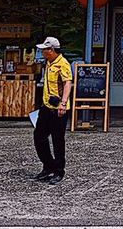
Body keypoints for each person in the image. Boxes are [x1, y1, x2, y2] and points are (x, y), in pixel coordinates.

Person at [30, 36, 73, 185]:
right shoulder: (48, 63)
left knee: (57, 140)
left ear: (52, 50)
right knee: (39, 136)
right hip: (46, 107)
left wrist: (63, 103)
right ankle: (48, 165)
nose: (42, 52)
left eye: (45, 49)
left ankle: (59, 171)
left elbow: (68, 83)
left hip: (58, 109)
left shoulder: (63, 64)